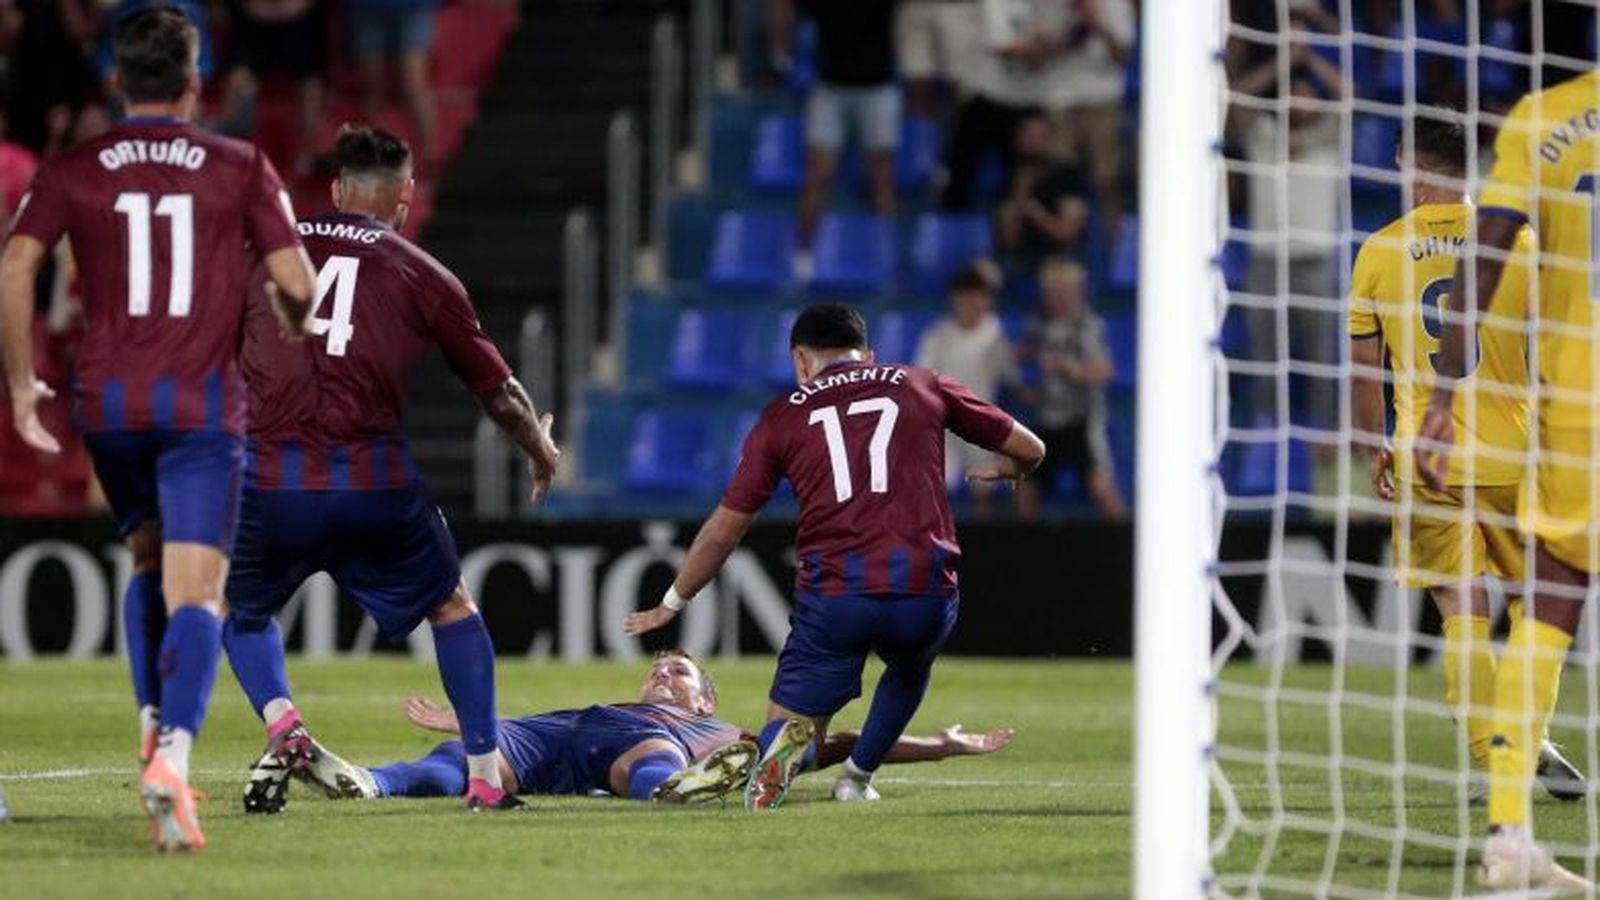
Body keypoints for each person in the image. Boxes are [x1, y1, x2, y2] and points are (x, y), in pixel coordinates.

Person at [0, 8, 317, 852]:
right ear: (194, 80)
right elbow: (297, 282)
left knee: (144, 556)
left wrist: (22, 385)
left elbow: (17, 259)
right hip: (200, 413)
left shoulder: (73, 166)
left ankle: (152, 722)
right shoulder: (240, 165)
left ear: (114, 80)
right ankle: (173, 759)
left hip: (106, 407)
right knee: (199, 593)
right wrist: (296, 309)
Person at [219, 124, 561, 815]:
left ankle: (283, 720)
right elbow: (498, 395)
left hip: (270, 479)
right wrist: (541, 451)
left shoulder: (259, 253)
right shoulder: (425, 273)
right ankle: (486, 777)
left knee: (240, 608)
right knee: (452, 605)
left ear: (337, 188)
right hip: (372, 482)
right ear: (407, 195)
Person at [625, 304, 1045, 810]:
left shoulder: (784, 414)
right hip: (921, 586)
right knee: (911, 667)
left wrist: (674, 599)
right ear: (867, 356)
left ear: (801, 360)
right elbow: (1031, 446)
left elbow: (726, 527)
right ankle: (856, 778)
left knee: (791, 733)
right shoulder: (922, 383)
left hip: (835, 597)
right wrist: (1012, 470)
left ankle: (778, 759)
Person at [1348, 112, 1583, 807]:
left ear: (1415, 170)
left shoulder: (1381, 251)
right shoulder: (1524, 245)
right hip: (1519, 457)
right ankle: (1522, 743)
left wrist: (1374, 448)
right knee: (1534, 608)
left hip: (1431, 456)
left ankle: (1495, 756)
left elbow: (1365, 371)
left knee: (1460, 608)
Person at [1417, 68, 1600, 892]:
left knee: (1550, 598)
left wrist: (1443, 394)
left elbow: (1484, 257)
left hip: (1576, 403)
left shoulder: (1546, 118)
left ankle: (1510, 834)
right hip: (1547, 414)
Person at [284, 650, 1014, 805]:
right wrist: (472, 724)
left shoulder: (724, 731)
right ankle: (367, 782)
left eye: (680, 671)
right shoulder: (605, 704)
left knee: (649, 755)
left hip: (652, 753)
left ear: (703, 699)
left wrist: (942, 748)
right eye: (660, 666)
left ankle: (674, 789)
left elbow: (849, 744)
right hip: (556, 739)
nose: (664, 672)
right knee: (470, 756)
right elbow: (502, 729)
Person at [768, 0, 900, 250]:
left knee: (881, 175)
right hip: (830, 87)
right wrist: (781, 54)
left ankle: (885, 252)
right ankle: (803, 255)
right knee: (818, 172)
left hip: (878, 86)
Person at [1016, 259, 1124, 521]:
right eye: (1052, 291)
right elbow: (1024, 356)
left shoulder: (1087, 325)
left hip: (1082, 419)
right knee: (1026, 490)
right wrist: (1024, 385)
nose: (1057, 297)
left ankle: (1127, 543)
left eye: (1063, 291)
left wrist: (1068, 371)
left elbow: (1105, 371)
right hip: (1046, 418)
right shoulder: (1038, 323)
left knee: (1100, 485)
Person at [915, 266, 1022, 518]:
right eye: (966, 296)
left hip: (980, 423)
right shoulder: (937, 336)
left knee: (983, 489)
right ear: (955, 299)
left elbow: (1011, 374)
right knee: (935, 488)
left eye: (980, 295)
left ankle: (983, 549)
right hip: (944, 424)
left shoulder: (995, 333)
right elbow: (921, 381)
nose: (973, 302)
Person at [215, 0, 328, 176]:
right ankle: (229, 155)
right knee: (238, 80)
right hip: (251, 22)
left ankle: (307, 157)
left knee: (310, 85)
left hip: (300, 21)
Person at [349, 0, 438, 165]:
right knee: (373, 85)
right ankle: (377, 158)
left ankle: (430, 155)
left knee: (413, 84)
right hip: (365, 9)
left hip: (413, 9)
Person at [996, 113, 1091, 267]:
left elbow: (1068, 234)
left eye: (1039, 135)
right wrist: (1021, 193)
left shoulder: (1068, 175)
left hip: (1062, 258)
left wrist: (1038, 216)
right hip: (1018, 259)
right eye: (1027, 134)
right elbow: (1009, 240)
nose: (1033, 141)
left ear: (1051, 138)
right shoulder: (1010, 174)